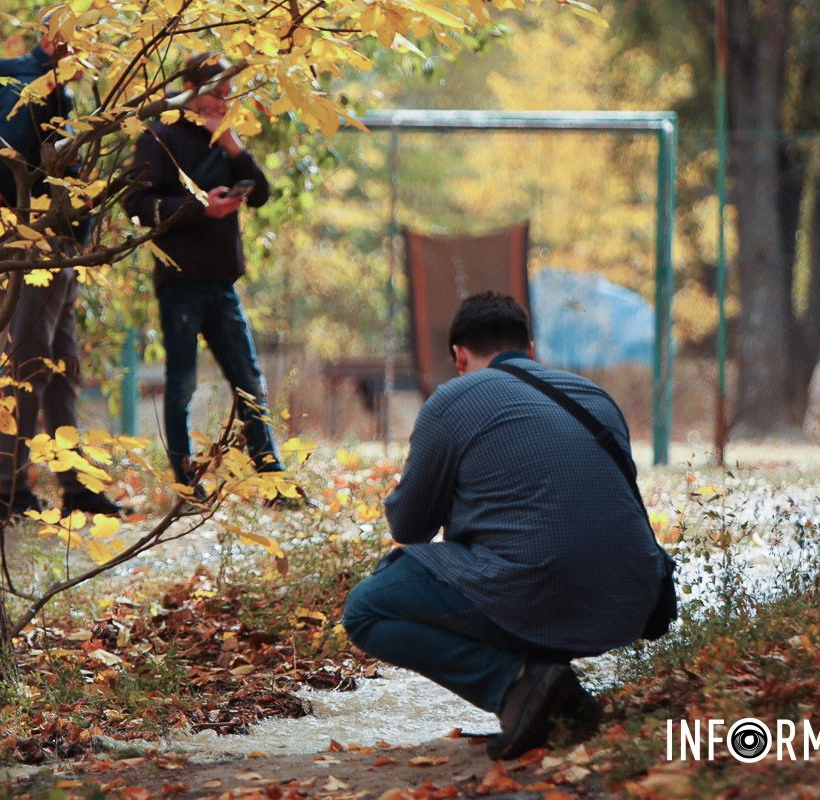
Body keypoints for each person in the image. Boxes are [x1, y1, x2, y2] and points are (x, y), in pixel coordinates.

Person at [341, 292, 669, 760]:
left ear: (459, 356)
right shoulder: (592, 394)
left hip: (541, 589)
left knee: (368, 607)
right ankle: (553, 689)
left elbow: (410, 526)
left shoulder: (454, 398)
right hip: (630, 599)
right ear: (530, 349)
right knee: (526, 552)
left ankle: (517, 685)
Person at [0, 26, 121, 519]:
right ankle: (10, 490)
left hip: (57, 249)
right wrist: (43, 210)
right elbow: (2, 171)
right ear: (59, 41)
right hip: (32, 250)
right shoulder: (27, 89)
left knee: (62, 369)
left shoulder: (55, 91)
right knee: (28, 368)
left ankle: (75, 486)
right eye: (87, 43)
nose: (93, 56)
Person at [123, 53, 286, 488]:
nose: (223, 101)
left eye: (227, 93)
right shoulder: (160, 138)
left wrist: (235, 147)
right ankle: (185, 482)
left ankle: (273, 480)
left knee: (249, 381)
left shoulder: (227, 140)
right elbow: (136, 206)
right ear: (192, 93)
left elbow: (263, 195)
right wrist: (200, 207)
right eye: (216, 93)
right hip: (179, 283)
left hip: (222, 284)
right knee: (182, 385)